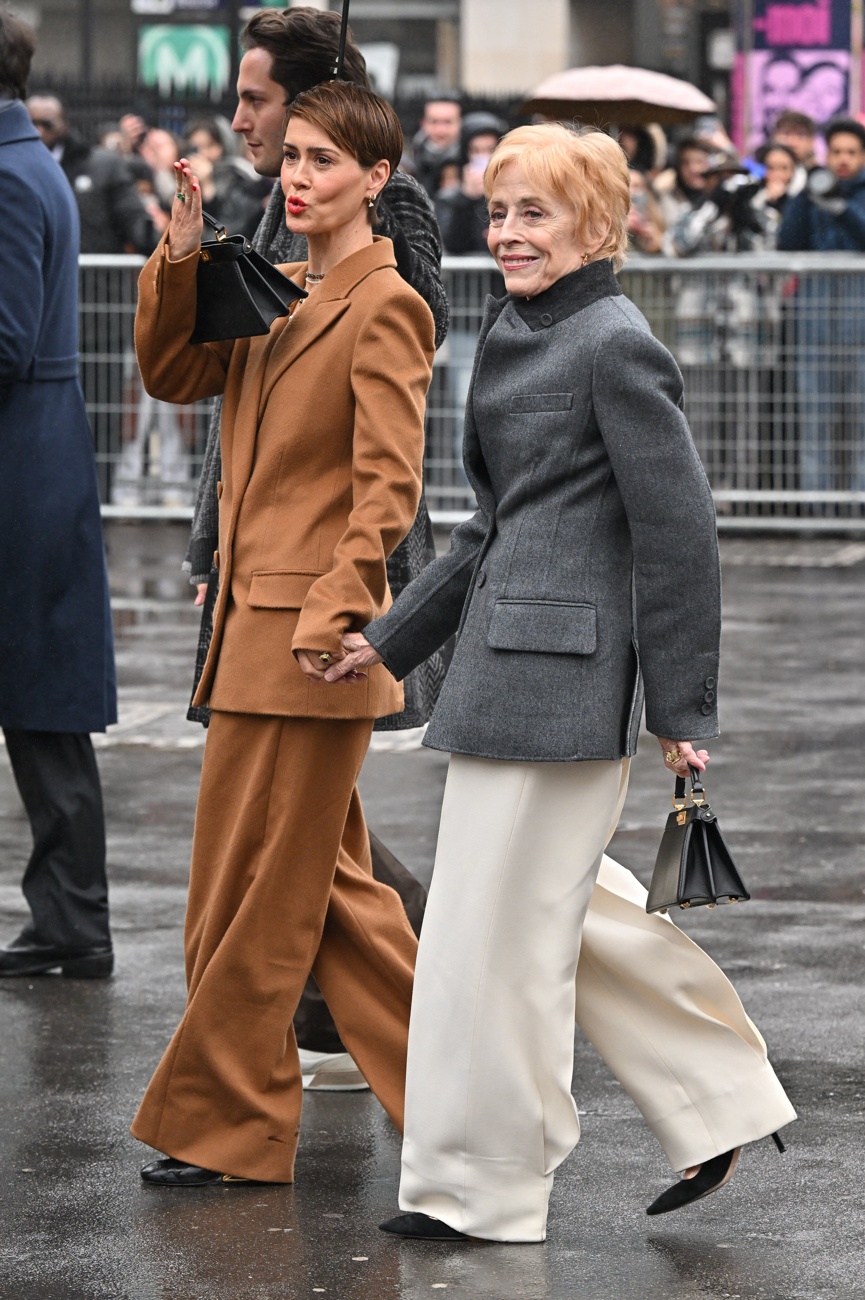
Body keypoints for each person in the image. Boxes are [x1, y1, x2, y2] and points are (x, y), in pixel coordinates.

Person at [327, 124, 795, 1243]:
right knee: (538, 923)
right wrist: (387, 642)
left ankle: (485, 1192)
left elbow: (677, 535)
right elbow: (492, 527)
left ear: (598, 224)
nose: (507, 233)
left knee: (498, 948)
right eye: (497, 212)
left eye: (534, 212)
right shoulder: (512, 328)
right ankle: (717, 1101)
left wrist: (681, 712)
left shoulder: (615, 343)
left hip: (572, 691)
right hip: (498, 675)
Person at [130, 79, 435, 1187]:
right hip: (248, 640)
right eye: (290, 157)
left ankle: (228, 1120)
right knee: (331, 902)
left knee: (256, 898)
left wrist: (334, 606)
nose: (295, 177)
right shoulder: (274, 284)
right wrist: (178, 255)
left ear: (375, 180)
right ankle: (470, 1100)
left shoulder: (385, 303)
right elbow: (173, 373)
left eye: (320, 161)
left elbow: (386, 485)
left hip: (309, 646)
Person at [184, 3, 450, 1093]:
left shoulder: (383, 223)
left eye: (261, 102)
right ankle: (452, 1071)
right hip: (259, 585)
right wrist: (213, 543)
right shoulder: (276, 217)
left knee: (289, 859)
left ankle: (442, 1055)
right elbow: (226, 403)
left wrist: (342, 599)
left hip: (324, 599)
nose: (241, 120)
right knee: (309, 860)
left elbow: (393, 372)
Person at [0, 12, 117, 979]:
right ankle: (70, 918)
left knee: (43, 704)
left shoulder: (7, 170)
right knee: (43, 706)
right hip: (33, 453)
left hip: (20, 461)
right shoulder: (27, 158)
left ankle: (74, 920)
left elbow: (1, 340)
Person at [778, 117, 865, 492]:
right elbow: (786, 242)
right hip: (813, 321)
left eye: (851, 152)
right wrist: (805, 195)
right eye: (836, 152)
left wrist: (840, 209)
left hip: (858, 321)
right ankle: (818, 507)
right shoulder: (812, 189)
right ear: (826, 154)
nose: (843, 159)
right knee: (815, 418)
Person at [25, 93, 156, 254]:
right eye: (32, 124)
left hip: (95, 275)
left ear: (64, 123)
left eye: (47, 124)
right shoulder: (11, 166)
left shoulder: (104, 166)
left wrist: (168, 248)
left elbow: (133, 220)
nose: (39, 130)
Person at [435, 110, 506, 254]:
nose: (483, 157)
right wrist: (466, 198)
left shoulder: (511, 195)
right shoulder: (449, 198)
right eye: (475, 150)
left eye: (490, 150)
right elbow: (453, 244)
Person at [410, 92, 462, 198]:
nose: (440, 130)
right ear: (423, 123)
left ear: (460, 123)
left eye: (447, 122)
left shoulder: (471, 162)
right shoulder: (410, 164)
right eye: (434, 122)